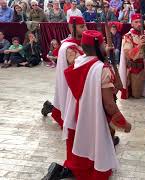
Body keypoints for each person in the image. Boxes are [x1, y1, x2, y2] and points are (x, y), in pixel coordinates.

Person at [42, 30, 132, 180]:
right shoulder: (101, 69)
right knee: (96, 152)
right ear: (98, 47)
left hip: (76, 114)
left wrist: (107, 57)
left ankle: (72, 171)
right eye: (103, 43)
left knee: (79, 150)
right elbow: (109, 105)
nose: (105, 45)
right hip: (92, 116)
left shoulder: (79, 61)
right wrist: (124, 124)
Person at [41, 16, 87, 128]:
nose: (85, 28)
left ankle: (51, 107)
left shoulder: (83, 41)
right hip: (73, 83)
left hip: (81, 83)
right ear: (71, 28)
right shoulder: (69, 46)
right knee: (70, 107)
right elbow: (78, 65)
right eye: (82, 26)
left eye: (85, 25)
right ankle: (51, 108)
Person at [119, 13, 145, 106]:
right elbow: (129, 55)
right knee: (136, 95)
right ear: (132, 24)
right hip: (135, 68)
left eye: (140, 22)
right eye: (136, 22)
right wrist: (139, 46)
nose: (139, 24)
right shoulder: (128, 36)